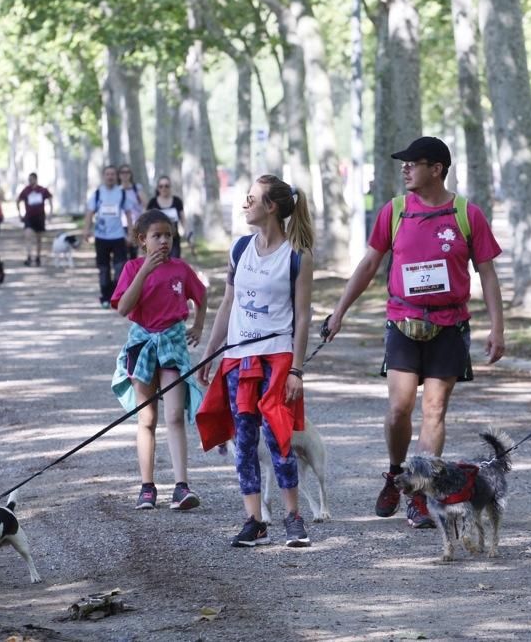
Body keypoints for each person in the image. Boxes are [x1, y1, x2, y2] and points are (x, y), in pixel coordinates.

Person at [325, 136, 506, 529]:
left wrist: (497, 328)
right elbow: (370, 263)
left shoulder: (466, 214)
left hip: (449, 324)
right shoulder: (394, 211)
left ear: (437, 169)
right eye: (404, 163)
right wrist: (339, 312)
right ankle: (396, 473)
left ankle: (422, 495)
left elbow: (487, 274)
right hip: (403, 322)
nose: (405, 168)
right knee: (398, 409)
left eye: (414, 163)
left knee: (434, 411)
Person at [196, 174, 315, 549]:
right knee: (243, 440)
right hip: (238, 358)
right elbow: (227, 304)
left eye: (252, 199)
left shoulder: (296, 255)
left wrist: (297, 368)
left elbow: (303, 315)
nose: (245, 204)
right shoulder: (240, 249)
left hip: (277, 356)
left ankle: (293, 518)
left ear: (271, 207)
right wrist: (210, 353)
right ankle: (254, 521)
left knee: (278, 436)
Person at [111, 209, 208, 511]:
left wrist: (198, 326)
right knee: (147, 418)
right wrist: (144, 272)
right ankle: (147, 487)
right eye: (157, 236)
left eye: (168, 235)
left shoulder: (181, 269)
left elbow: (201, 296)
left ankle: (181, 486)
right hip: (142, 346)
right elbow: (124, 307)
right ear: (143, 240)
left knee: (175, 415)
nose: (164, 241)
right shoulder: (132, 268)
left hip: (172, 345)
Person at [83, 165, 135, 308]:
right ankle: (105, 297)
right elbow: (89, 212)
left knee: (120, 268)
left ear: (116, 176)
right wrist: (86, 230)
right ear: (104, 176)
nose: (110, 177)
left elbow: (129, 213)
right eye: (107, 174)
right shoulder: (98, 193)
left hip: (118, 236)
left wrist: (130, 233)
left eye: (113, 174)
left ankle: (116, 296)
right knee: (103, 268)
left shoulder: (121, 193)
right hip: (101, 237)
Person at [16, 172, 53, 267]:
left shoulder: (42, 190)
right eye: (29, 180)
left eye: (32, 179)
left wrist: (50, 213)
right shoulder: (26, 190)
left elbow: (50, 199)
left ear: (36, 179)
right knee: (28, 235)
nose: (30, 181)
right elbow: (18, 200)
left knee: (38, 238)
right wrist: (20, 214)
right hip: (29, 217)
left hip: (40, 217)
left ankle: (38, 257)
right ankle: (29, 256)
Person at [147, 175, 187, 259]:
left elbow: (182, 218)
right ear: (158, 188)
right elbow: (146, 221)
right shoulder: (152, 202)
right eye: (161, 186)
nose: (164, 188)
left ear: (170, 187)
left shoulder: (177, 201)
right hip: (157, 240)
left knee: (174, 262)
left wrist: (186, 231)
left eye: (166, 186)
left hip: (173, 239)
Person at [118, 164, 146, 259]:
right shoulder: (116, 190)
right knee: (121, 255)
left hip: (135, 225)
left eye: (127, 172)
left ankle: (135, 273)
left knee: (134, 255)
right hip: (120, 226)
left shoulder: (136, 188)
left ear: (131, 174)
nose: (125, 175)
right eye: (122, 172)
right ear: (119, 175)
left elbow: (146, 204)